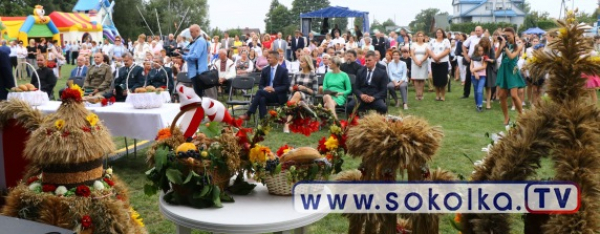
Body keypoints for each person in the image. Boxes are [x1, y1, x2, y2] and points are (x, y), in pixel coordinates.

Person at [240, 50, 290, 120]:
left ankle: (249, 113)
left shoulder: (283, 71)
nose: (268, 59)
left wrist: (273, 89)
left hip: (278, 95)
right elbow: (261, 84)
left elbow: (286, 86)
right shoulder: (265, 70)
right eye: (267, 58)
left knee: (259, 92)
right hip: (266, 93)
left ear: (276, 59)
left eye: (270, 58)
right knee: (262, 99)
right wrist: (265, 89)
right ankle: (264, 122)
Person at [496, 27, 525, 126]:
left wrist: (505, 47)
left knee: (513, 95)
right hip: (503, 69)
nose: (507, 37)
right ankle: (506, 117)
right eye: (505, 36)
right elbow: (496, 56)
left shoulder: (519, 45)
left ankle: (522, 115)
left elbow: (512, 57)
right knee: (501, 96)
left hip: (512, 70)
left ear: (514, 35)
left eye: (509, 36)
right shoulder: (504, 44)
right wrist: (501, 45)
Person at [283, 55, 318, 132]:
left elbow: (315, 92)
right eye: (300, 61)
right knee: (297, 96)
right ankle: (289, 123)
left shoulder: (313, 75)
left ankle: (287, 124)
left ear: (307, 63)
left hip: (308, 97)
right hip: (295, 97)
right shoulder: (297, 74)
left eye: (302, 61)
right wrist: (294, 87)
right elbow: (290, 88)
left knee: (298, 94)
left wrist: (304, 88)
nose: (300, 63)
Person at [183, 24, 209, 98]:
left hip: (198, 71)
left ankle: (202, 108)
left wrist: (183, 57)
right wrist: (182, 53)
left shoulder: (200, 41)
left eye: (192, 32)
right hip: (195, 71)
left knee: (199, 94)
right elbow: (191, 53)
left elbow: (195, 56)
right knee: (198, 93)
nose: (191, 34)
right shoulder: (195, 41)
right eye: (190, 32)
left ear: (197, 31)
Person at [322, 56, 352, 120]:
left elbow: (349, 89)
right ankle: (336, 120)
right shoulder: (327, 75)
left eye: (330, 63)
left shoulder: (344, 75)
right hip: (329, 93)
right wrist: (333, 93)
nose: (328, 64)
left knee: (326, 105)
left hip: (339, 95)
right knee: (327, 96)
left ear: (335, 64)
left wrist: (341, 93)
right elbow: (324, 88)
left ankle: (332, 120)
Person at [428, 28, 451, 101]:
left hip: (443, 63)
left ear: (443, 33)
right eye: (437, 32)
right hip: (434, 63)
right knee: (436, 80)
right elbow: (429, 50)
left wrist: (438, 57)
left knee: (443, 80)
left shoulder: (446, 41)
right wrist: (434, 57)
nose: (438, 34)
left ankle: (443, 96)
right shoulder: (432, 41)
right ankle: (437, 95)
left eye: (440, 32)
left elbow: (447, 50)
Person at [462, 26, 484, 99]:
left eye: (479, 30)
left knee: (482, 77)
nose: (477, 32)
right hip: (471, 59)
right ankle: (466, 93)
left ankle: (481, 94)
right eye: (476, 30)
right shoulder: (471, 38)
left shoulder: (485, 38)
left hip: (481, 60)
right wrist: (465, 55)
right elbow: (464, 45)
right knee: (468, 76)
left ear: (482, 31)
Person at [478, 37, 497, 110]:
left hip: (488, 69)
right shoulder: (478, 48)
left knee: (488, 87)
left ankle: (488, 103)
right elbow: (474, 57)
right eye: (482, 44)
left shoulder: (491, 49)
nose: (483, 46)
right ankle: (479, 102)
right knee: (479, 86)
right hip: (480, 68)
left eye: (484, 44)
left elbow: (494, 60)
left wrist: (487, 59)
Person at [411, 31, 430, 100]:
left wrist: (421, 61)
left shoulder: (426, 45)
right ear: (416, 37)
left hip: (423, 63)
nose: (420, 37)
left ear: (424, 37)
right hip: (415, 63)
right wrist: (416, 61)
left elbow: (427, 54)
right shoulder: (413, 44)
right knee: (416, 79)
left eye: (421, 36)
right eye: (419, 36)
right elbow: (412, 54)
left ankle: (421, 94)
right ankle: (417, 94)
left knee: (422, 79)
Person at [470, 45, 488, 112]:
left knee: (479, 90)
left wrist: (474, 70)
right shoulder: (473, 57)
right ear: (476, 50)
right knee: (475, 90)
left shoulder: (484, 57)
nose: (481, 52)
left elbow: (484, 66)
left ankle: (480, 106)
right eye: (479, 50)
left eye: (482, 50)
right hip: (474, 76)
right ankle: (477, 104)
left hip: (482, 76)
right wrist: (474, 72)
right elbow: (471, 67)